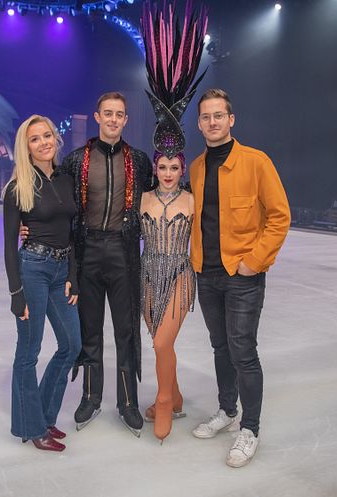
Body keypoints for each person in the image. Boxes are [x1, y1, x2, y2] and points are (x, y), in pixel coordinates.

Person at [189, 89, 291, 467]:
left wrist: (255, 261)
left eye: (219, 115)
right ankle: (226, 411)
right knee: (220, 347)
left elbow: (279, 215)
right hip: (207, 273)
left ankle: (250, 428)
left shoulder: (255, 162)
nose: (212, 122)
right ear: (199, 123)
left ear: (231, 119)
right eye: (205, 117)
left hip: (242, 275)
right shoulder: (197, 167)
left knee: (243, 351)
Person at [59, 92, 153, 437]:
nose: (114, 119)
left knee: (126, 331)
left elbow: (161, 196)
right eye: (108, 113)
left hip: (123, 253)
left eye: (120, 114)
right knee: (90, 332)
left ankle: (128, 402)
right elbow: (56, 204)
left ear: (126, 120)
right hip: (87, 254)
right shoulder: (75, 160)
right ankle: (90, 397)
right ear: (97, 117)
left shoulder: (140, 161)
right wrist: (28, 224)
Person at [2, 115, 82, 452]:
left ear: (56, 139)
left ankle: (46, 417)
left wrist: (74, 278)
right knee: (29, 352)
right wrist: (16, 293)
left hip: (61, 271)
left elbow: (73, 231)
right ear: (27, 146)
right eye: (35, 139)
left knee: (71, 345)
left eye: (47, 135)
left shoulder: (66, 179)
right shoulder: (17, 186)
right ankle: (30, 427)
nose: (44, 142)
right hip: (32, 269)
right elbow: (8, 244)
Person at [139, 152, 195, 443]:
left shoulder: (191, 200)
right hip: (147, 275)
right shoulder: (142, 198)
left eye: (174, 167)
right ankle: (176, 396)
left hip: (179, 275)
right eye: (163, 167)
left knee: (162, 341)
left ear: (182, 169)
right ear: (155, 168)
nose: (168, 173)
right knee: (161, 344)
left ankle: (163, 401)